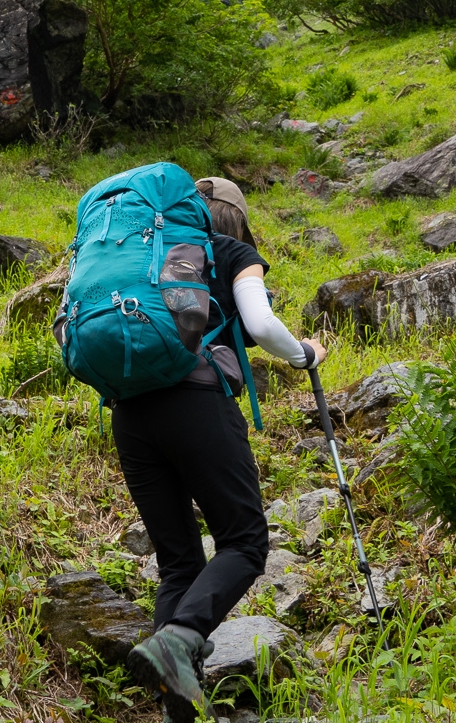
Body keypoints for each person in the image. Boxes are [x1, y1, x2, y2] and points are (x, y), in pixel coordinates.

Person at [123, 176, 326, 721]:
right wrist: (304, 353)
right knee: (244, 541)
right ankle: (180, 637)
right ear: (236, 216)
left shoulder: (145, 253)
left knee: (179, 565)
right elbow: (260, 324)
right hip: (196, 404)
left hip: (130, 414)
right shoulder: (229, 251)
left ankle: (179, 711)